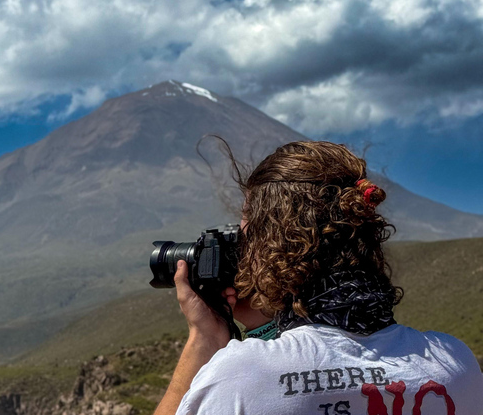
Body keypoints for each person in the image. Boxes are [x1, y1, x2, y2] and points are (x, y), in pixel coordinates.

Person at [154, 141, 483, 415]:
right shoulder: (454, 363)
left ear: (269, 247)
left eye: (245, 233)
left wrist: (205, 339)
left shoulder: (242, 378)